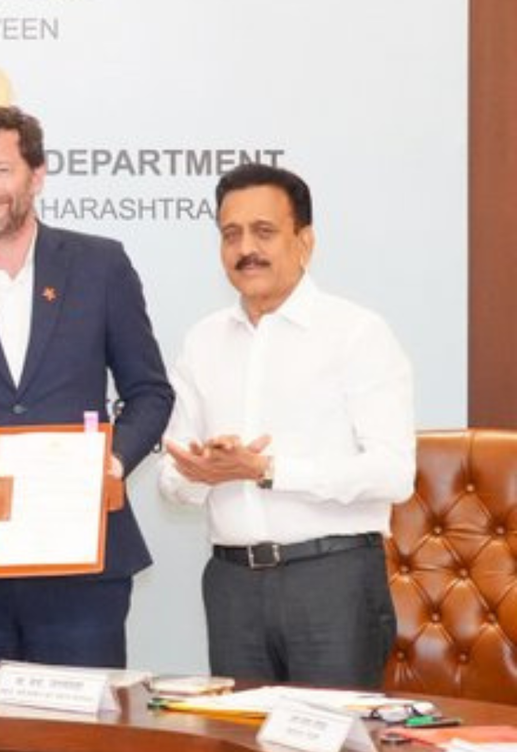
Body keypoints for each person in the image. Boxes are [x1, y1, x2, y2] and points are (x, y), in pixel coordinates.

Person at [0, 106, 174, 668]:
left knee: (85, 722)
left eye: (2, 170)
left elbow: (150, 393)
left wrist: (111, 463)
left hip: (84, 562)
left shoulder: (101, 265)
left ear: (37, 174)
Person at [157, 163, 414, 689]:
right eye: (231, 234)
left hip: (332, 581)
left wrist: (267, 470)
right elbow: (172, 480)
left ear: (305, 241)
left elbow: (393, 473)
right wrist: (203, 471)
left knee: (334, 738)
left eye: (264, 231)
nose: (246, 249)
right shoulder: (203, 341)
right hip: (231, 586)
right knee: (239, 737)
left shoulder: (356, 333)